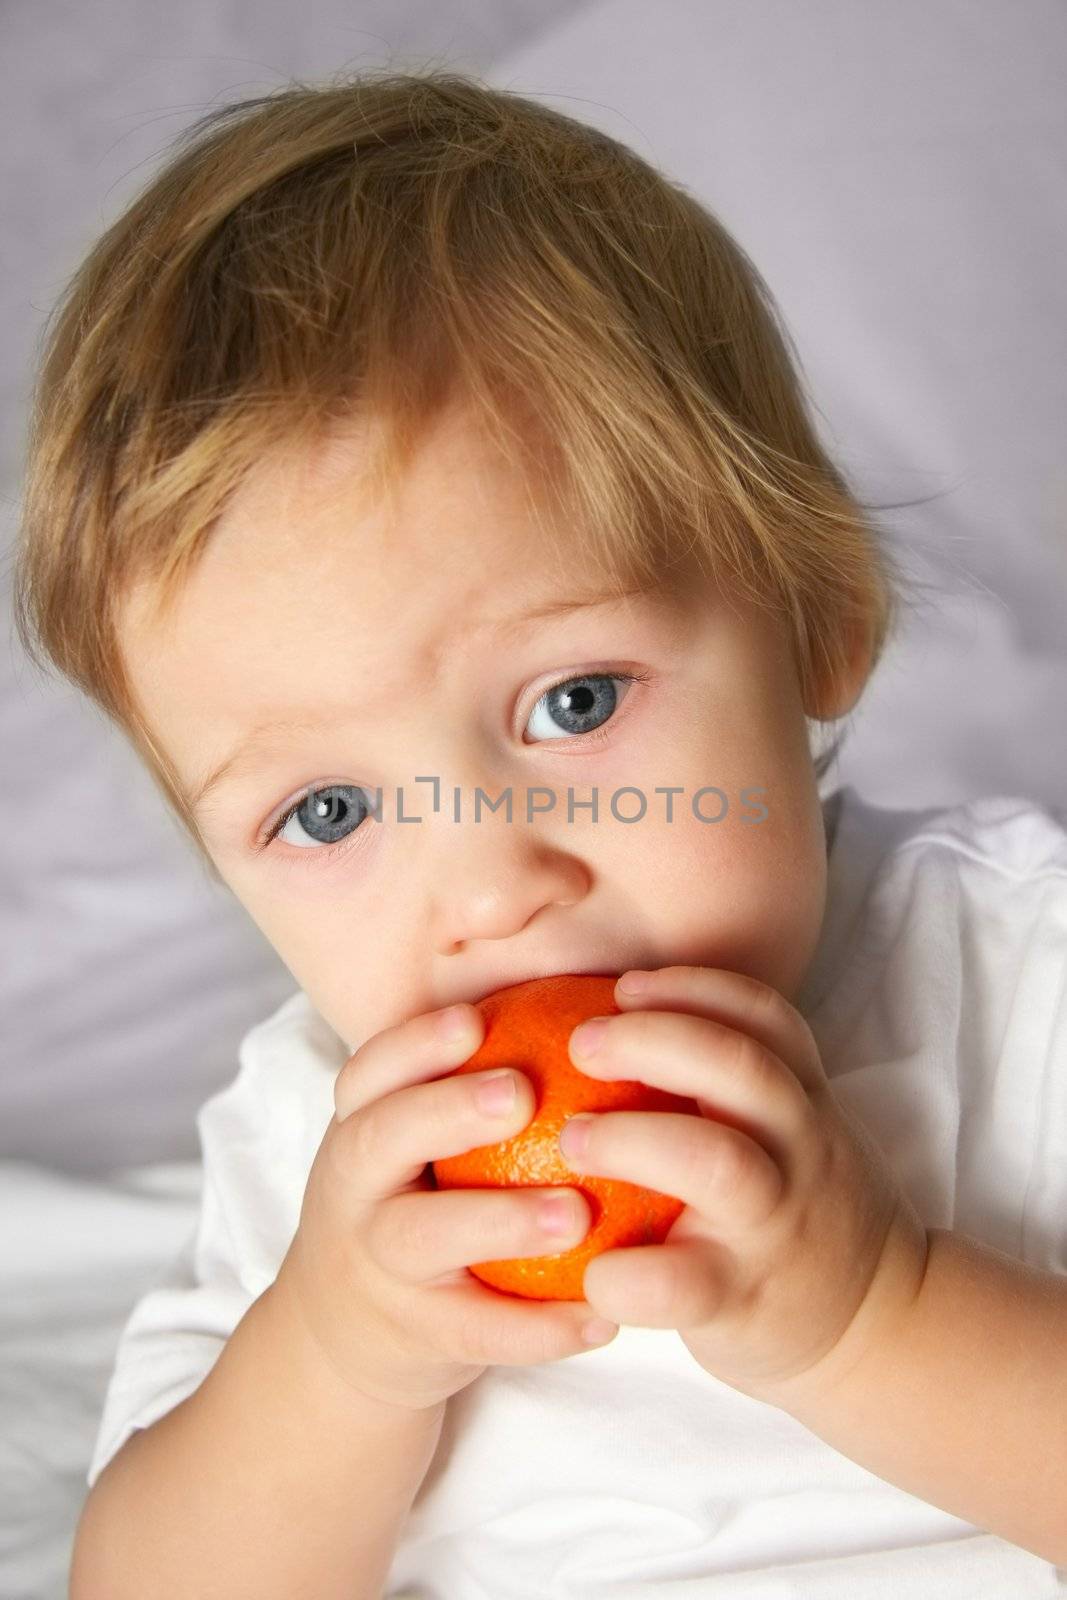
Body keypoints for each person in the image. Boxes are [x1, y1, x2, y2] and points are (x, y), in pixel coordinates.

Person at [12, 67, 1067, 1600]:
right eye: (327, 810)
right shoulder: (319, 1150)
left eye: (574, 705)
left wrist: (878, 1313)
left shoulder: (1020, 973)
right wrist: (336, 1361)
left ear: (820, 620)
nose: (495, 883)